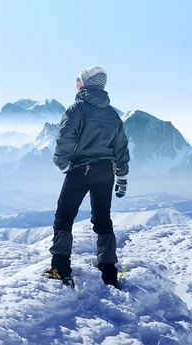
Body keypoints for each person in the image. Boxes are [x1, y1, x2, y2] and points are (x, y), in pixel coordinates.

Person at [45, 66, 130, 288]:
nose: (75, 82)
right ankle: (108, 269)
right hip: (105, 171)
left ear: (85, 83)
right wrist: (122, 177)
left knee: (64, 217)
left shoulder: (77, 109)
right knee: (103, 218)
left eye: (78, 78)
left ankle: (60, 268)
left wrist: (61, 163)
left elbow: (64, 138)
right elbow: (121, 147)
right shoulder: (112, 114)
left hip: (81, 170)